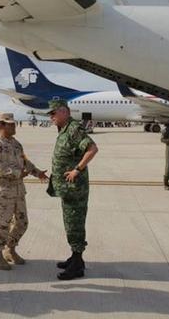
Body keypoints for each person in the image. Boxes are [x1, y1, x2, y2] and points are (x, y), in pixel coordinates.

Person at [0, 113, 47, 270]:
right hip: (3, 189)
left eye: (13, 123)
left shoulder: (16, 144)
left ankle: (10, 249)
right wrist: (18, 173)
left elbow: (25, 162)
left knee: (22, 222)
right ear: (0, 125)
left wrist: (38, 172)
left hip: (18, 189)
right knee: (2, 223)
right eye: (10, 124)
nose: (14, 126)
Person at [48, 100, 98, 280]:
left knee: (75, 224)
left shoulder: (73, 128)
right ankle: (75, 257)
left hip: (75, 189)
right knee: (71, 223)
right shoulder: (64, 129)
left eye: (54, 113)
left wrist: (77, 169)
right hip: (68, 190)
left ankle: (77, 265)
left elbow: (92, 148)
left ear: (65, 112)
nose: (51, 117)